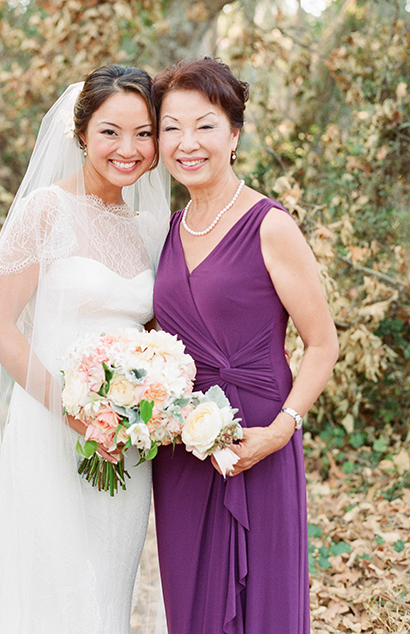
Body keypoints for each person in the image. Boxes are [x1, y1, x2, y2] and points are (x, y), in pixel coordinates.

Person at [0, 65, 170, 634]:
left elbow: (155, 333)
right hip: (54, 427)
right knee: (61, 585)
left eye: (144, 133)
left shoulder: (150, 229)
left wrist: (150, 396)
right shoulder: (44, 211)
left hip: (126, 438)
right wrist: (72, 411)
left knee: (109, 585)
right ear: (80, 134)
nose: (128, 149)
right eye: (110, 132)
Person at [150, 57, 339, 634]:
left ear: (234, 134)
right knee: (192, 600)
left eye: (204, 125)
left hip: (258, 434)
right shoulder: (166, 228)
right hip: (182, 444)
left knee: (262, 598)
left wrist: (283, 427)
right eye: (171, 127)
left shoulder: (269, 225)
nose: (187, 142)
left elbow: (323, 342)